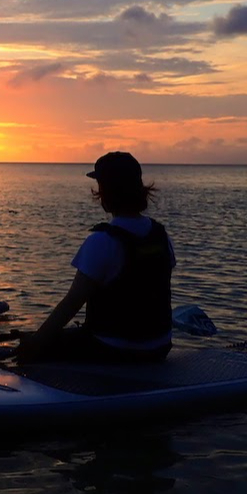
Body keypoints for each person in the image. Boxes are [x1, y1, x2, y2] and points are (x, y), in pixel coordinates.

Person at [17, 151, 174, 364]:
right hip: (159, 347)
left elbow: (71, 303)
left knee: (35, 346)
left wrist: (35, 342)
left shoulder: (102, 241)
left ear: (105, 194)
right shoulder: (161, 236)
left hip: (111, 348)